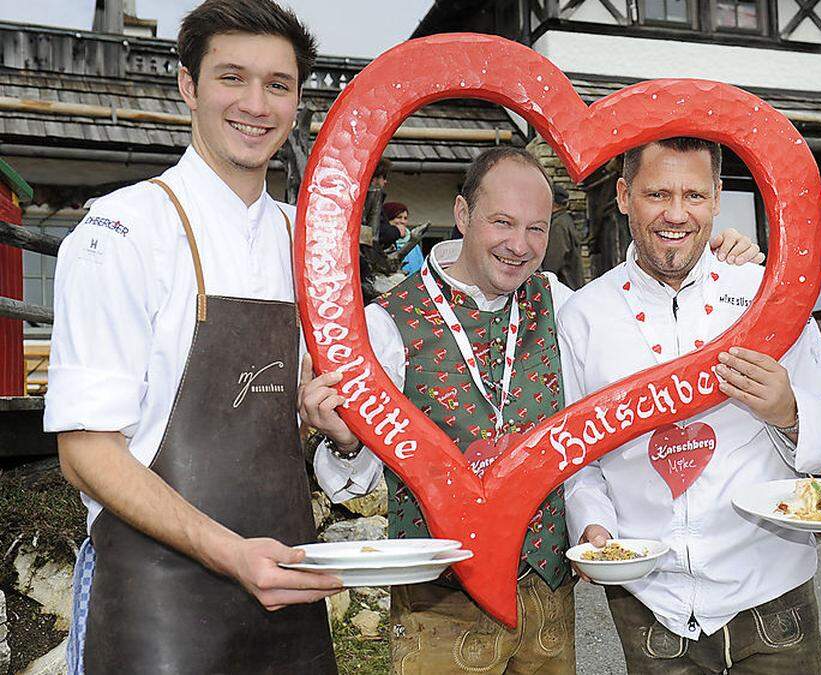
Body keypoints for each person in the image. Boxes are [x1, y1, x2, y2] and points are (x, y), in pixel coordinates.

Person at [300, 145, 763, 674]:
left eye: (536, 229)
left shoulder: (563, 301)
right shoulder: (385, 325)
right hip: (439, 601)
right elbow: (354, 482)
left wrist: (725, 267)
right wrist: (344, 441)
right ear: (462, 213)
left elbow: (649, 335)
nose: (519, 246)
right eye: (502, 223)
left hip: (546, 594)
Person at [45, 2, 340, 673]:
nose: (255, 105)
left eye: (278, 85)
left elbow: (316, 420)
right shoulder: (119, 232)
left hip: (287, 589)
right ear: (188, 86)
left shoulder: (309, 242)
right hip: (152, 602)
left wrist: (336, 428)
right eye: (231, 77)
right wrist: (232, 552)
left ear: (298, 100)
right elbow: (86, 452)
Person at [558, 137, 821, 674]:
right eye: (657, 194)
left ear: (718, 198)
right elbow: (577, 456)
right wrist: (593, 525)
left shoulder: (766, 292)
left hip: (771, 590)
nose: (676, 215)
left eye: (694, 195)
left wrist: (790, 411)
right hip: (650, 604)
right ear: (625, 196)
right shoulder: (584, 315)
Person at [541, 185, 583, 289]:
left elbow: (553, 261)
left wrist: (544, 282)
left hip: (565, 285)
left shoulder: (559, 225)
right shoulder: (564, 220)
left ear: (553, 203)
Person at [379, 201, 425, 275]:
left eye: (405, 218)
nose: (403, 221)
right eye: (399, 217)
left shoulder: (414, 243)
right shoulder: (383, 243)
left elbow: (421, 267)